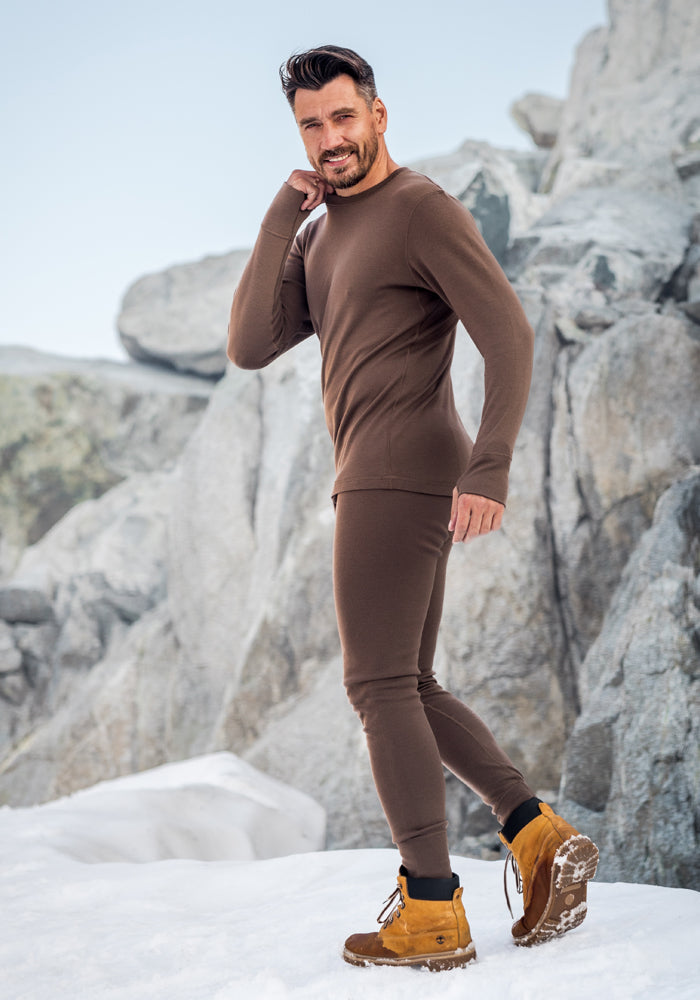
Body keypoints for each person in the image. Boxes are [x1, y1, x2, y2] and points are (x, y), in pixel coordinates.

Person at [228, 44, 598, 971]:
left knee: (376, 686)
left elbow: (507, 330)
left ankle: (432, 908)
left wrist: (493, 465)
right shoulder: (321, 234)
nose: (329, 139)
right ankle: (537, 836)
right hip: (383, 466)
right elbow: (248, 344)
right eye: (311, 125)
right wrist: (284, 213)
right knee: (410, 683)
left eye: (342, 118)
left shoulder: (419, 209)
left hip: (400, 469)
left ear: (379, 114)